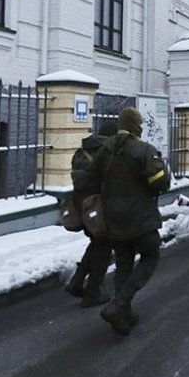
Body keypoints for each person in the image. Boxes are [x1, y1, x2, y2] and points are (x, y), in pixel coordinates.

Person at [81, 107, 170, 335]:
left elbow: (88, 180)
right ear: (137, 126)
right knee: (150, 257)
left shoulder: (105, 151)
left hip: (114, 219)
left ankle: (124, 316)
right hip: (141, 219)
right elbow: (159, 183)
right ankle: (120, 303)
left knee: (124, 263)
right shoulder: (143, 150)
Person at [65, 120, 118, 306]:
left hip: (84, 208)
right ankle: (93, 291)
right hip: (100, 208)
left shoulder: (82, 152)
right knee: (104, 247)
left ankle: (77, 281)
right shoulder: (107, 153)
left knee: (96, 244)